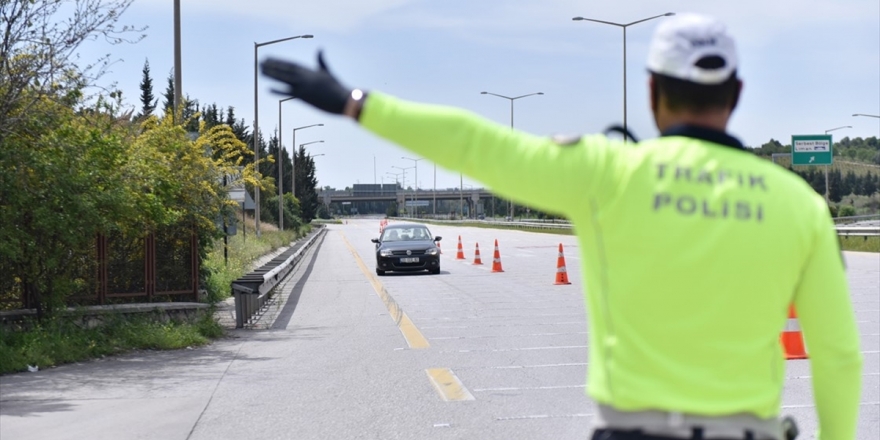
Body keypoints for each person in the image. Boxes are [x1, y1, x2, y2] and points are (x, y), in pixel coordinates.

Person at [261, 13, 862, 440]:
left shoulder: (608, 172)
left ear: (652, 93)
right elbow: (837, 355)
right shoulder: (798, 205)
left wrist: (355, 100)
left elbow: (477, 144)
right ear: (736, 93)